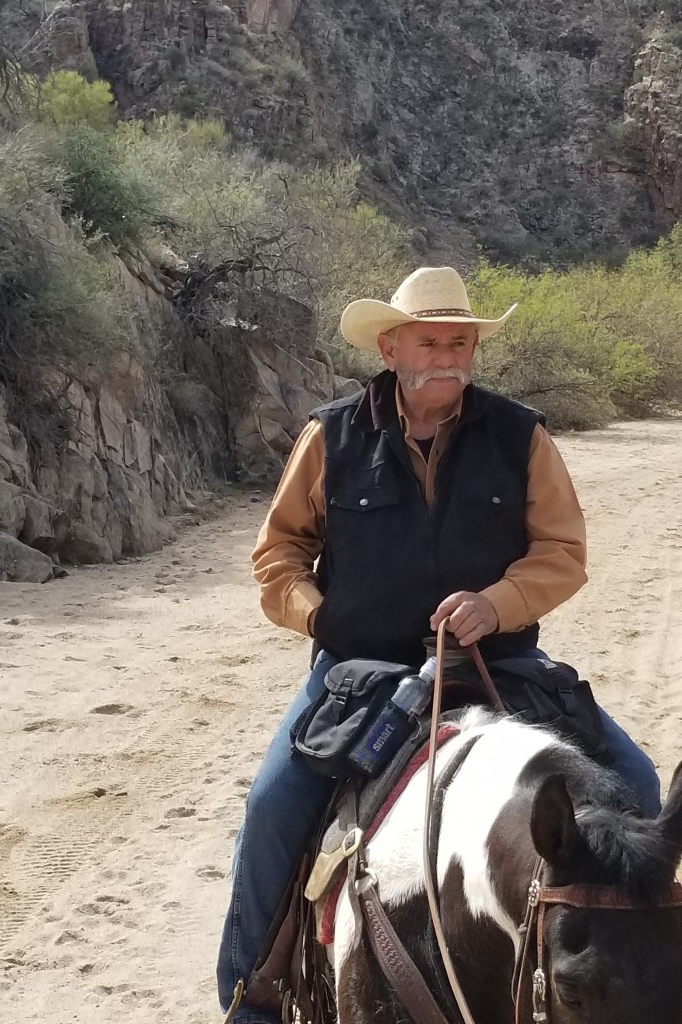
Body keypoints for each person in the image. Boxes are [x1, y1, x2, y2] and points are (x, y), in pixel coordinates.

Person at [217, 266, 661, 1024]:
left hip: (500, 663)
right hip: (359, 672)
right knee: (272, 808)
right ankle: (249, 999)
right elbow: (278, 554)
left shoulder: (520, 434)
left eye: (460, 342)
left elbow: (561, 551)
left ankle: (635, 971)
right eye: (429, 342)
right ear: (390, 349)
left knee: (636, 784)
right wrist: (323, 619)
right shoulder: (331, 436)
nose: (447, 357)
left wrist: (497, 604)